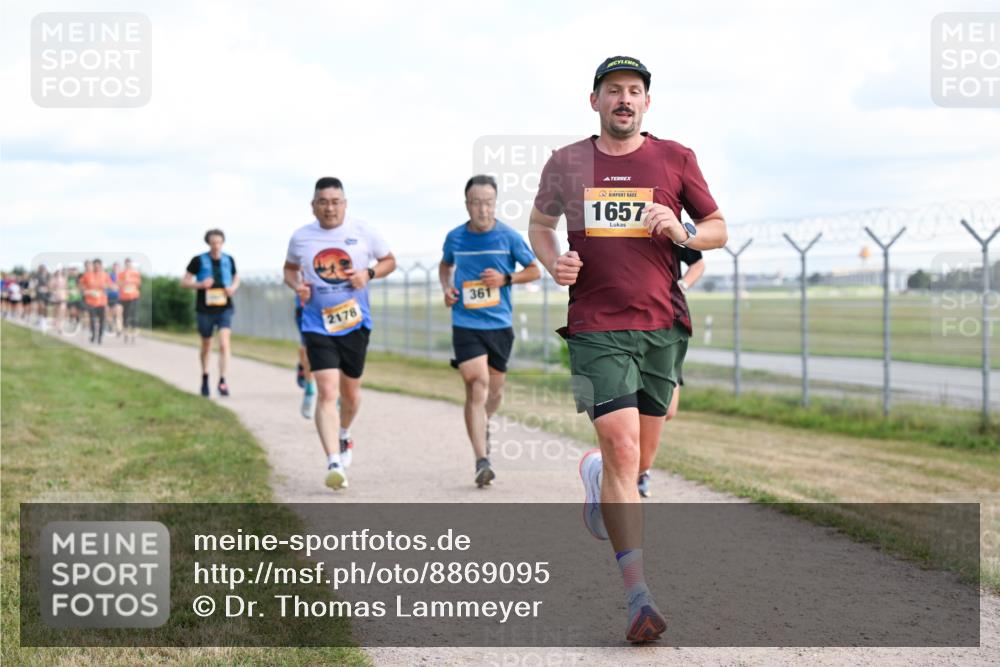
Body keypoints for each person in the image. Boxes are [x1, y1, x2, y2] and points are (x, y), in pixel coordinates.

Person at [527, 56, 726, 643]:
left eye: (634, 91)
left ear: (646, 103)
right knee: (619, 446)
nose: (624, 99)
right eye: (613, 90)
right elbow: (540, 225)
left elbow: (717, 227)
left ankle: (600, 482)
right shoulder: (567, 162)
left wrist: (683, 229)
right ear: (594, 101)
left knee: (637, 462)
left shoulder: (675, 158)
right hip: (594, 324)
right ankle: (638, 598)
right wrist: (552, 261)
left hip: (662, 324)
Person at [283, 177, 396, 491]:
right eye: (323, 201)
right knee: (327, 392)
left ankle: (344, 434)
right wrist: (298, 285)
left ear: (344, 204)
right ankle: (333, 461)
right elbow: (289, 269)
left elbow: (389, 261)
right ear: (313, 205)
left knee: (350, 395)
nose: (329, 207)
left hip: (354, 323)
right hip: (316, 323)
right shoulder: (301, 238)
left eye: (335, 201)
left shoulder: (363, 232)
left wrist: (368, 273)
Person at [439, 174, 541, 487]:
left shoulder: (508, 237)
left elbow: (535, 270)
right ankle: (481, 460)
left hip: (499, 325)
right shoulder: (455, 237)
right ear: (467, 204)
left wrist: (505, 279)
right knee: (477, 382)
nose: (482, 210)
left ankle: (484, 424)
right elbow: (445, 266)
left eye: (488, 203)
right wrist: (447, 288)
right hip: (465, 323)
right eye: (476, 203)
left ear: (495, 204)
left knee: (494, 393)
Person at [637, 245, 705, 498]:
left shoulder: (671, 226)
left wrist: (682, 285)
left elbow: (698, 263)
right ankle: (634, 468)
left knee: (667, 409)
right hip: (626, 323)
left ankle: (635, 461)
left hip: (667, 325)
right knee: (630, 409)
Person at [182, 229, 240, 397]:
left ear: (223, 243)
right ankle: (205, 376)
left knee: (224, 343)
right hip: (205, 309)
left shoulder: (229, 259)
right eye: (213, 243)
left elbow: (236, 277)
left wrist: (233, 288)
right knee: (206, 345)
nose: (216, 246)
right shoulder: (198, 260)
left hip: (225, 307)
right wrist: (199, 285)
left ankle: (222, 380)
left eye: (219, 242)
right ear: (208, 243)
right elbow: (184, 281)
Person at [294, 291, 318, 419]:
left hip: (335, 308)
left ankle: (336, 395)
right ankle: (309, 390)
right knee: (308, 350)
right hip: (306, 309)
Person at [79, 258, 110, 344]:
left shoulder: (105, 275)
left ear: (101, 266)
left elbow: (109, 285)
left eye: (98, 266)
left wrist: (106, 287)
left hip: (102, 301)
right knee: (92, 319)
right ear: (93, 266)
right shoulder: (87, 275)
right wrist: (88, 291)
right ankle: (93, 335)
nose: (97, 267)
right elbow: (81, 287)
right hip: (91, 301)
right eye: (95, 266)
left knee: (102, 320)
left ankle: (100, 337)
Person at [118, 258, 142, 344]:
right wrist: (124, 283)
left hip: (134, 296)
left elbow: (139, 284)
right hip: (124, 297)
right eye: (126, 264)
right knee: (125, 315)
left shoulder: (135, 273)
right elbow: (119, 284)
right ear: (125, 264)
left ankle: (134, 332)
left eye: (129, 263)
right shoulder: (121, 274)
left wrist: (131, 283)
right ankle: (126, 334)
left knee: (133, 314)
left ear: (131, 264)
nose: (128, 265)